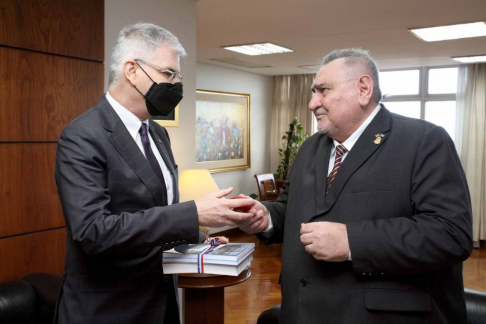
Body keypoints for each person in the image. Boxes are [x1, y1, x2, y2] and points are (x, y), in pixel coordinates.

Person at [237, 48, 472, 323]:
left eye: (323, 90)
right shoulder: (311, 147)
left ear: (363, 88)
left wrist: (351, 241)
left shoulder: (424, 141)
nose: (312, 103)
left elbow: (450, 234)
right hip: (302, 310)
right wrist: (265, 218)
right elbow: (292, 209)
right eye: (313, 92)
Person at [54, 22, 254, 324]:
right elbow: (93, 232)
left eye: (178, 76)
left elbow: (154, 214)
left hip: (161, 303)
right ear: (132, 71)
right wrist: (192, 213)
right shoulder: (83, 136)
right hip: (107, 309)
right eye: (167, 74)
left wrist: (199, 238)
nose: (176, 85)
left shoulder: (159, 134)